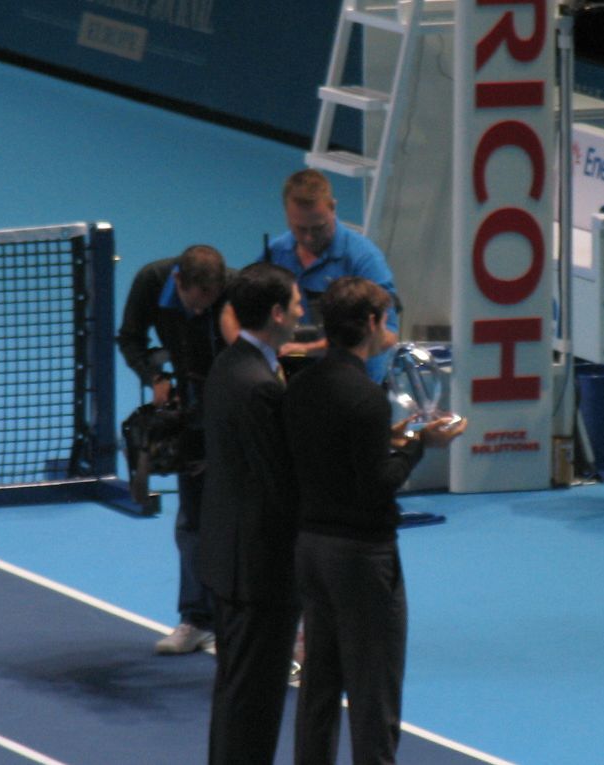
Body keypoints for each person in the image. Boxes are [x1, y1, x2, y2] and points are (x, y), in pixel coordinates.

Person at [283, 277, 466, 765]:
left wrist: (394, 437)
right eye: (385, 318)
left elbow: (333, 454)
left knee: (319, 684)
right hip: (362, 560)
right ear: (369, 323)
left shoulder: (300, 386)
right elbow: (378, 482)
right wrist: (421, 445)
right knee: (373, 694)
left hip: (311, 550)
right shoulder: (364, 397)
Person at [196, 263, 304, 764]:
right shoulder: (262, 385)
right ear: (277, 313)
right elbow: (279, 482)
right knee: (254, 705)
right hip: (258, 571)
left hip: (228, 560)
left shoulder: (228, 364)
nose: (304, 310)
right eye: (298, 303)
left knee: (236, 697)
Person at [117, 244, 232, 653]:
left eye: (209, 303)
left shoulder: (233, 291)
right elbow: (129, 338)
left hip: (233, 410)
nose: (201, 311)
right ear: (178, 282)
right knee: (192, 520)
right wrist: (155, 375)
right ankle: (197, 620)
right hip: (189, 411)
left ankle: (232, 621)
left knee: (232, 520)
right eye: (194, 303)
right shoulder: (151, 281)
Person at [221, 168, 401, 383]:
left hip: (351, 384)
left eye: (318, 228)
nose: (308, 238)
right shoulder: (275, 252)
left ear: (333, 207)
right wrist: (249, 355)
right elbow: (231, 311)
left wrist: (306, 350)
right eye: (299, 229)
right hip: (296, 382)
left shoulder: (365, 260)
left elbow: (388, 336)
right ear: (287, 215)